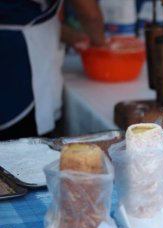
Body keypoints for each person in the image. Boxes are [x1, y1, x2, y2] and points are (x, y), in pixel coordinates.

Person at [0, 0, 105, 141]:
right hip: (18, 68)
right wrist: (102, 46)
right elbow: (90, 14)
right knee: (21, 152)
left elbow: (19, 16)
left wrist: (71, 36)